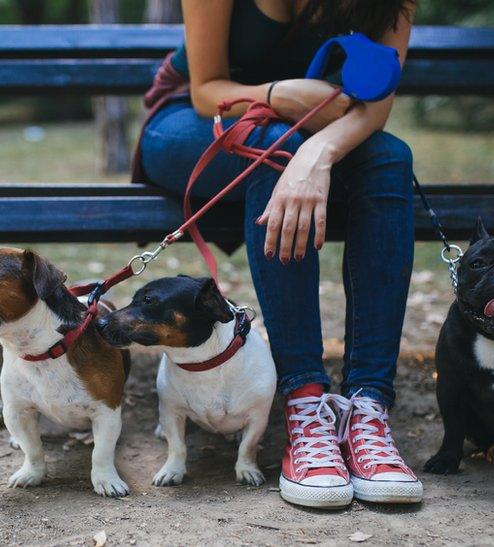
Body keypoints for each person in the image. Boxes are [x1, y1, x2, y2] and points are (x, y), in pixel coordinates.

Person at [137, 0, 421, 507]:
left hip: (317, 131)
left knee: (392, 158)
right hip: (196, 121)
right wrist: (278, 96)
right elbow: (206, 92)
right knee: (277, 147)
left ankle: (367, 406)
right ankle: (305, 402)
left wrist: (316, 152)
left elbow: (375, 107)